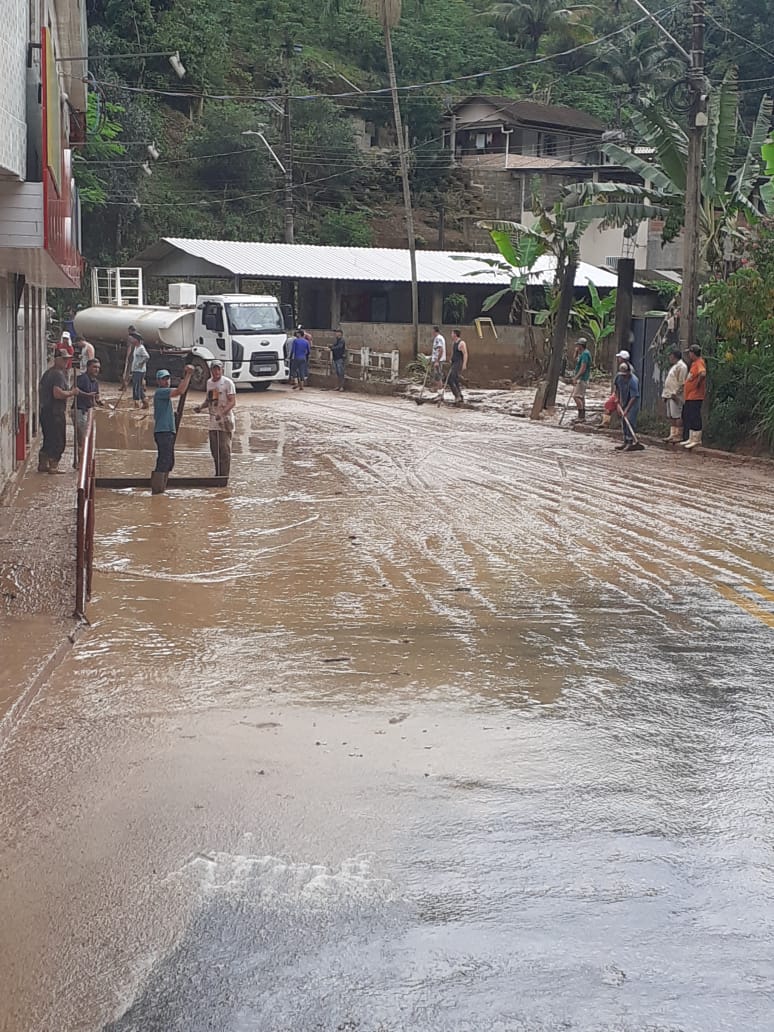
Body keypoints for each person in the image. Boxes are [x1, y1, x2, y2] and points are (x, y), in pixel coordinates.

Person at [152, 364, 193, 493]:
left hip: (168, 432)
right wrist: (188, 375)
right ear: (158, 381)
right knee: (164, 461)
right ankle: (157, 490)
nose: (166, 381)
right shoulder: (160, 392)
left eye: (167, 378)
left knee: (169, 462)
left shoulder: (164, 395)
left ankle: (161, 489)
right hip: (163, 432)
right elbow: (180, 391)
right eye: (163, 379)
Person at [38, 348, 79, 473]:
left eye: (67, 359)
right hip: (55, 412)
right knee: (58, 440)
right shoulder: (58, 374)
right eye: (64, 359)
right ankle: (53, 465)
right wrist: (72, 392)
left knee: (48, 438)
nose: (66, 362)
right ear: (57, 360)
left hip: (45, 410)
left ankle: (43, 464)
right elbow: (57, 394)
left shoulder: (48, 373)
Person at [194, 360, 236, 477]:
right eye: (214, 369)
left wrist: (222, 413)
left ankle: (224, 477)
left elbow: (232, 402)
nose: (216, 371)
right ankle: (218, 475)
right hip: (213, 423)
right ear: (211, 370)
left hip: (225, 422)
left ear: (222, 369)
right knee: (215, 451)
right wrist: (200, 407)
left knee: (224, 451)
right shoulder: (209, 383)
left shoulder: (228, 383)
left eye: (218, 369)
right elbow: (210, 400)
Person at [74, 358, 104, 456]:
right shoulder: (82, 379)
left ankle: (84, 459)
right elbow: (74, 390)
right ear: (88, 367)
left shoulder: (95, 382)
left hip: (88, 412)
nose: (97, 370)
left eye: (98, 368)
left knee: (88, 437)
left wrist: (99, 402)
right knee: (82, 437)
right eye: (94, 367)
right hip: (79, 410)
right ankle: (80, 461)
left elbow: (96, 396)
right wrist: (88, 395)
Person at [681, 344, 707, 450]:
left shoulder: (699, 362)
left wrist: (697, 384)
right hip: (690, 396)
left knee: (695, 416)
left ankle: (696, 439)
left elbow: (703, 373)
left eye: (690, 353)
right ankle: (691, 438)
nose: (689, 355)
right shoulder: (694, 364)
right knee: (689, 416)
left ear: (693, 353)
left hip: (696, 396)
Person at [661, 347, 688, 444]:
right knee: (671, 416)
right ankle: (672, 434)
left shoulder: (682, 367)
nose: (669, 358)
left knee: (677, 415)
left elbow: (682, 383)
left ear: (674, 356)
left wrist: (676, 394)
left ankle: (678, 435)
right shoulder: (674, 366)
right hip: (669, 394)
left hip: (675, 395)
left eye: (670, 356)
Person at [613, 360, 641, 451]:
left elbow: (634, 397)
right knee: (623, 421)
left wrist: (627, 409)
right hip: (623, 400)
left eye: (625, 375)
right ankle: (625, 441)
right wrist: (617, 399)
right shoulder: (618, 377)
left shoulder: (633, 380)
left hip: (633, 403)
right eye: (623, 375)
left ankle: (630, 442)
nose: (624, 377)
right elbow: (616, 387)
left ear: (629, 372)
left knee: (629, 419)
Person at [570, 337, 592, 423]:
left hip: (582, 378)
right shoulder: (582, 354)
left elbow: (583, 368)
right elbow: (575, 360)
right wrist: (576, 352)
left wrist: (576, 377)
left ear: (581, 346)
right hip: (582, 378)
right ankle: (582, 416)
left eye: (578, 345)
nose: (577, 347)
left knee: (576, 396)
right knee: (581, 397)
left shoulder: (585, 354)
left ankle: (581, 416)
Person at [447, 329, 468, 406]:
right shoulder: (454, 343)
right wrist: (450, 359)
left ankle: (457, 396)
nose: (451, 335)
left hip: (458, 363)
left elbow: (465, 354)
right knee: (455, 380)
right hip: (454, 363)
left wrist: (464, 364)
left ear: (455, 334)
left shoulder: (461, 343)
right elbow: (453, 352)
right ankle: (460, 396)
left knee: (450, 379)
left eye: (452, 333)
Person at [131, 335, 150, 409]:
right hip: (135, 370)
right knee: (139, 387)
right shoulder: (136, 348)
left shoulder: (141, 348)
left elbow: (147, 357)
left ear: (137, 340)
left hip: (139, 370)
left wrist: (140, 364)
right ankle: (145, 402)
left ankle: (137, 403)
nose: (132, 340)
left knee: (136, 387)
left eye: (133, 339)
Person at [430, 325, 446, 389]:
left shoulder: (438, 338)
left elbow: (440, 350)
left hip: (439, 360)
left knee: (438, 375)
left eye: (432, 331)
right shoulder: (437, 338)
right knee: (437, 374)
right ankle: (438, 388)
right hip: (437, 359)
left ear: (434, 331)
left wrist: (437, 361)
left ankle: (439, 388)